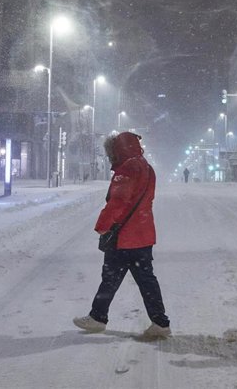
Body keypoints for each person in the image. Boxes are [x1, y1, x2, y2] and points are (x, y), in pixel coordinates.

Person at [73, 132, 171, 338]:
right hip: (143, 233)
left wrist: (103, 226)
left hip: (124, 236)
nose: (110, 156)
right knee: (146, 279)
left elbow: (118, 201)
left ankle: (98, 317)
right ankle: (160, 322)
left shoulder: (127, 168)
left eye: (112, 151)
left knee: (110, 277)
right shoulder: (146, 167)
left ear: (118, 150)